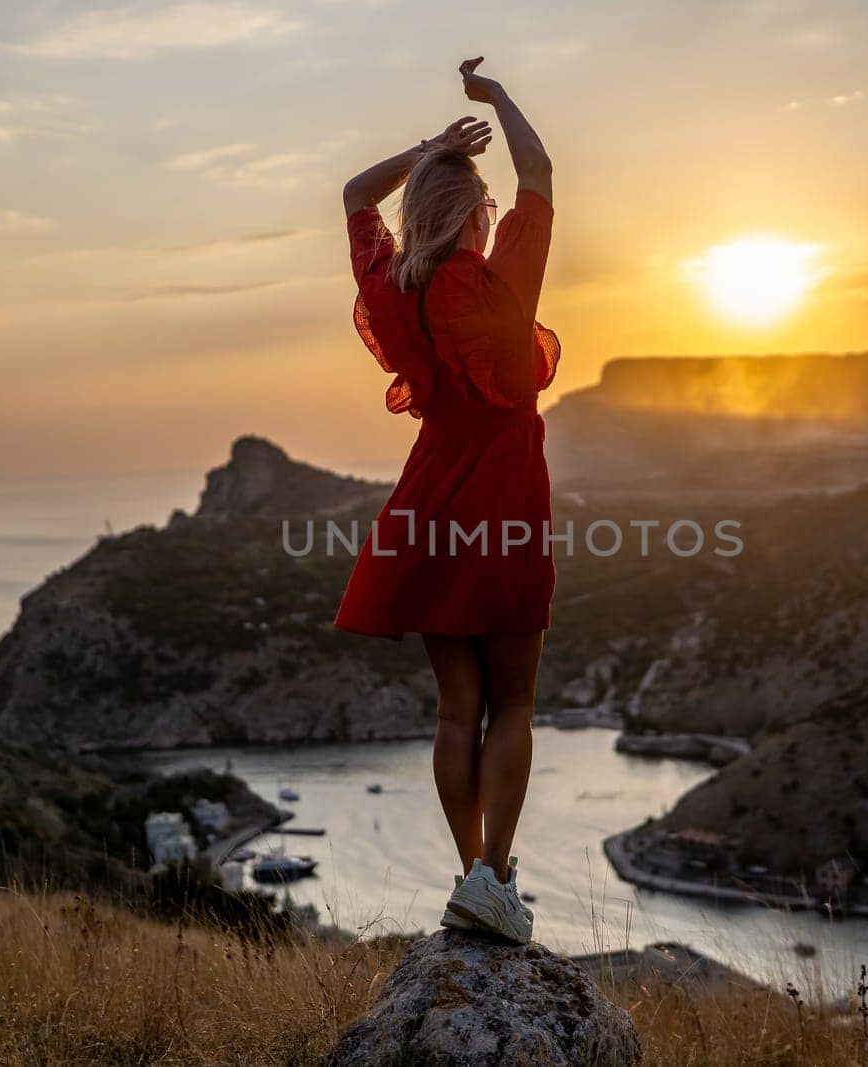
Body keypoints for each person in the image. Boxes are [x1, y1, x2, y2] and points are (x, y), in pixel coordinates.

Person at [334, 57, 557, 944]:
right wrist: (498, 100)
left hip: (429, 499)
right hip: (504, 496)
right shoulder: (497, 290)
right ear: (474, 217)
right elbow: (538, 171)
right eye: (486, 212)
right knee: (515, 706)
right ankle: (495, 876)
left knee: (454, 708)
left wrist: (430, 148)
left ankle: (470, 875)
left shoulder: (390, 292)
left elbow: (355, 190)